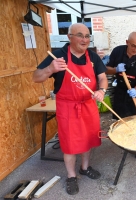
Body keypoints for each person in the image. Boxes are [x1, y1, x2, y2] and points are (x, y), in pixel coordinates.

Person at [32, 23, 108, 195]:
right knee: (70, 144)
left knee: (88, 140)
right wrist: (50, 68)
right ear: (69, 37)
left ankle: (84, 168)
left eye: (87, 36)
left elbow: (102, 78)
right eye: (80, 35)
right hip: (67, 106)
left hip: (88, 104)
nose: (84, 39)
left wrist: (101, 91)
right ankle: (71, 176)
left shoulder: (93, 57)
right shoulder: (58, 55)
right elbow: (36, 77)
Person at [106, 32, 136, 119]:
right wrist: (116, 69)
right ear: (127, 42)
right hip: (120, 92)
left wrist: (135, 90)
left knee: (135, 120)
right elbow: (106, 70)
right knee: (119, 120)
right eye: (133, 46)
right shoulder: (117, 51)